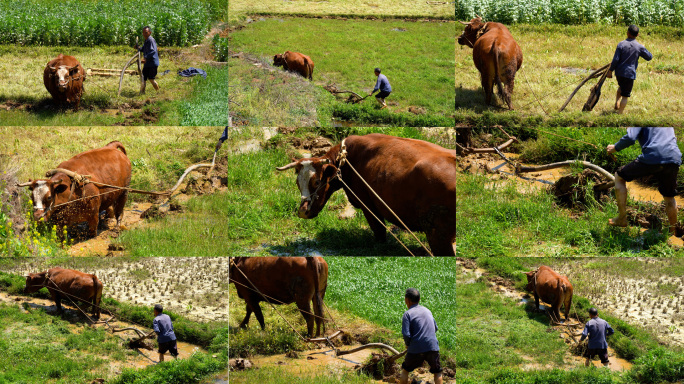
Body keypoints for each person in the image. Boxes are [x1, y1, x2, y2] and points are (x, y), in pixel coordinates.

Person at [607, 127, 682, 234]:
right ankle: (673, 232)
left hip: (652, 156)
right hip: (673, 158)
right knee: (669, 196)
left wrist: (615, 147)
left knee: (619, 177)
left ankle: (621, 218)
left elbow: (630, 137)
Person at [606, 25, 653, 114]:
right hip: (629, 74)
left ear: (627, 33)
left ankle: (617, 102)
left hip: (619, 72)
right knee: (625, 95)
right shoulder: (639, 47)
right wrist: (643, 47)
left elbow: (615, 60)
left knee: (621, 86)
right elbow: (649, 57)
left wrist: (610, 71)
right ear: (638, 35)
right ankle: (620, 113)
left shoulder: (621, 44)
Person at [399, 288, 442, 384]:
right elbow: (435, 328)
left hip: (416, 347)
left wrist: (408, 345)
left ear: (407, 300)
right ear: (419, 299)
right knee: (437, 372)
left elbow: (406, 334)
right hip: (433, 347)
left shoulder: (407, 314)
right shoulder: (427, 310)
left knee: (405, 371)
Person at [135, 26, 160, 94]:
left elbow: (153, 51)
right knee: (143, 78)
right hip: (147, 64)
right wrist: (138, 48)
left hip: (152, 63)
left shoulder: (150, 40)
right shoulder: (146, 41)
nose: (144, 34)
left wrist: (145, 58)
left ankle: (159, 92)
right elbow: (143, 49)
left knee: (151, 79)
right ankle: (142, 92)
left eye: (146, 32)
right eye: (143, 32)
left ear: (150, 32)